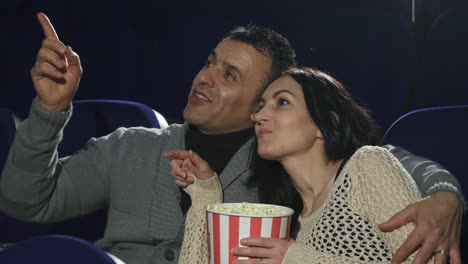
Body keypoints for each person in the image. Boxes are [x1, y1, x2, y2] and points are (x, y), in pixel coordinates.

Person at [0, 12, 464, 264]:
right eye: (208, 62)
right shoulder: (130, 145)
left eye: (229, 74)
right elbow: (26, 203)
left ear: (261, 101)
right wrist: (51, 110)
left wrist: (446, 195)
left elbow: (376, 157)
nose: (204, 77)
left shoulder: (284, 168)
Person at [169, 67, 463, 263]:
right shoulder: (288, 219)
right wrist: (204, 194)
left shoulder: (367, 166)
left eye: (282, 102)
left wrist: (296, 258)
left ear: (326, 123)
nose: (259, 116)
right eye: (260, 107)